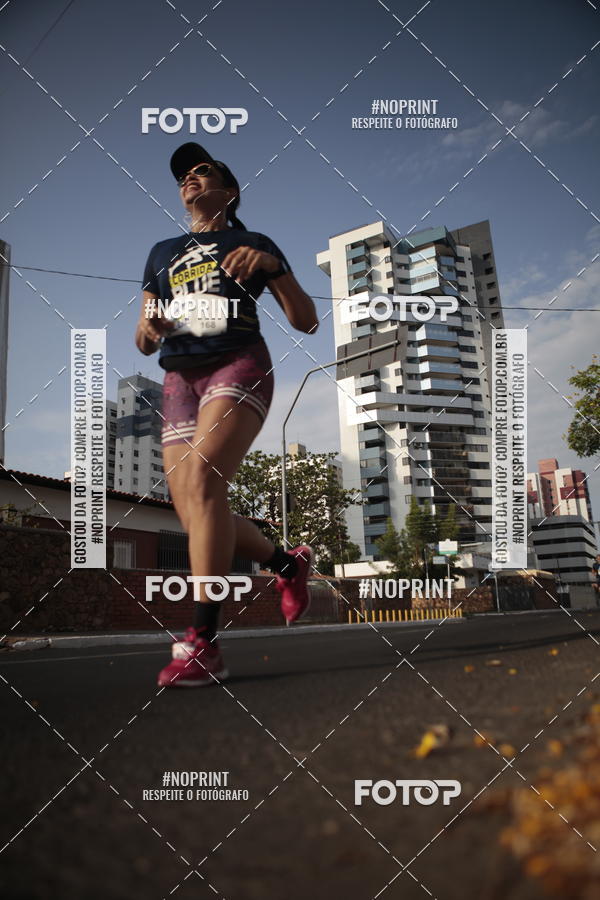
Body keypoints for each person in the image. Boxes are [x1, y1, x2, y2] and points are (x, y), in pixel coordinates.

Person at [136, 142, 319, 687]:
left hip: (238, 365)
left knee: (204, 479)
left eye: (203, 170)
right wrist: (149, 328)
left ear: (229, 190)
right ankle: (287, 564)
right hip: (180, 380)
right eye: (183, 175)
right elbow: (143, 334)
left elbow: (306, 320)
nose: (190, 178)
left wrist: (272, 268)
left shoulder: (253, 242)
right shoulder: (160, 252)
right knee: (194, 514)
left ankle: (204, 643)